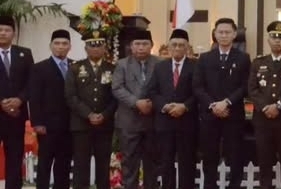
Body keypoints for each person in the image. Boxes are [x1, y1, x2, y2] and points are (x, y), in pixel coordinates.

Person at [192, 18, 251, 189]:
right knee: (209, 156)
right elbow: (198, 86)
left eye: (227, 32)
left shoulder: (243, 58)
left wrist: (227, 102)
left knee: (235, 156)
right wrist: (213, 105)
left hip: (233, 115)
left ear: (234, 34)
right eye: (220, 32)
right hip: (210, 115)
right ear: (215, 34)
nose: (224, 35)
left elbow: (245, 86)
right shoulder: (204, 58)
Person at [248, 21, 281, 189]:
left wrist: (278, 105)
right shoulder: (258, 62)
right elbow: (252, 89)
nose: (277, 41)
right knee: (264, 161)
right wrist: (266, 107)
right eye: (274, 37)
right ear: (268, 40)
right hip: (263, 119)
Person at [143, 29, 198, 189]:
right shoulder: (160, 67)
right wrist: (165, 106)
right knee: (166, 162)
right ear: (169, 47)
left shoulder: (196, 66)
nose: (178, 48)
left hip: (187, 122)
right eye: (174, 45)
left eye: (181, 45)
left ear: (187, 47)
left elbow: (199, 91)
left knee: (187, 163)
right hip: (164, 123)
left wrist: (185, 106)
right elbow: (152, 91)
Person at [66, 30, 117, 189]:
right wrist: (88, 114)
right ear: (86, 48)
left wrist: (104, 115)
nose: (95, 49)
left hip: (105, 124)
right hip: (81, 124)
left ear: (104, 48)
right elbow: (70, 96)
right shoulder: (75, 68)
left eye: (99, 45)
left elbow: (116, 97)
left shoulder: (113, 68)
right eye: (91, 46)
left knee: (103, 164)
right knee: (81, 165)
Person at [112, 29, 161, 189]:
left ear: (151, 45)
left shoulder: (160, 63)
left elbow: (165, 88)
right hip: (129, 122)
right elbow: (117, 88)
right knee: (129, 162)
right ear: (131, 46)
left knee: (152, 162)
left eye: (145, 44)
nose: (141, 47)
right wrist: (136, 102)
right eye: (137, 44)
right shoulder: (122, 64)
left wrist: (152, 103)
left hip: (152, 121)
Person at [28, 29, 73, 189]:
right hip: (47, 126)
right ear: (51, 46)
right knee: (45, 164)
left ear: (70, 46)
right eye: (57, 43)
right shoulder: (39, 68)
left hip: (69, 125)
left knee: (64, 164)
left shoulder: (75, 66)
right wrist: (37, 122)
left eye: (64, 43)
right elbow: (34, 97)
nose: (60, 47)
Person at [0, 15, 33, 189]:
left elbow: (31, 81)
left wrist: (20, 99)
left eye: (7, 30)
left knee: (14, 157)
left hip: (17, 115)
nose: (3, 33)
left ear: (13, 33)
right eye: (0, 30)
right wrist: (2, 102)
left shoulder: (24, 53)